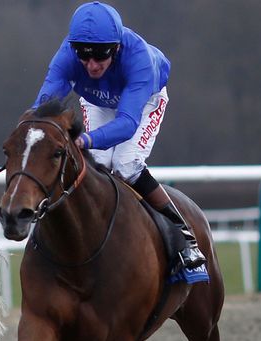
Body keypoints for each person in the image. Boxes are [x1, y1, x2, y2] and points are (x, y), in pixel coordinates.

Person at [32, 1, 205, 269]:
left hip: (143, 101)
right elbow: (43, 105)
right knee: (98, 166)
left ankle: (184, 235)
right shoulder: (67, 54)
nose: (91, 65)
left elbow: (126, 123)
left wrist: (85, 140)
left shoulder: (140, 59)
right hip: (97, 100)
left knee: (126, 165)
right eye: (84, 56)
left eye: (99, 56)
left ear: (116, 48)